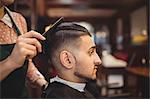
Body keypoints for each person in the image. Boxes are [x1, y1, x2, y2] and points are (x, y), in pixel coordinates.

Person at [0, 0, 47, 98]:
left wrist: (42, 83)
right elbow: (16, 60)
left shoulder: (18, 19)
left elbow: (26, 62)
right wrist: (11, 61)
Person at [43, 22, 102, 98]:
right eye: (91, 52)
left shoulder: (88, 87)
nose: (98, 61)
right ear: (67, 60)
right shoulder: (58, 96)